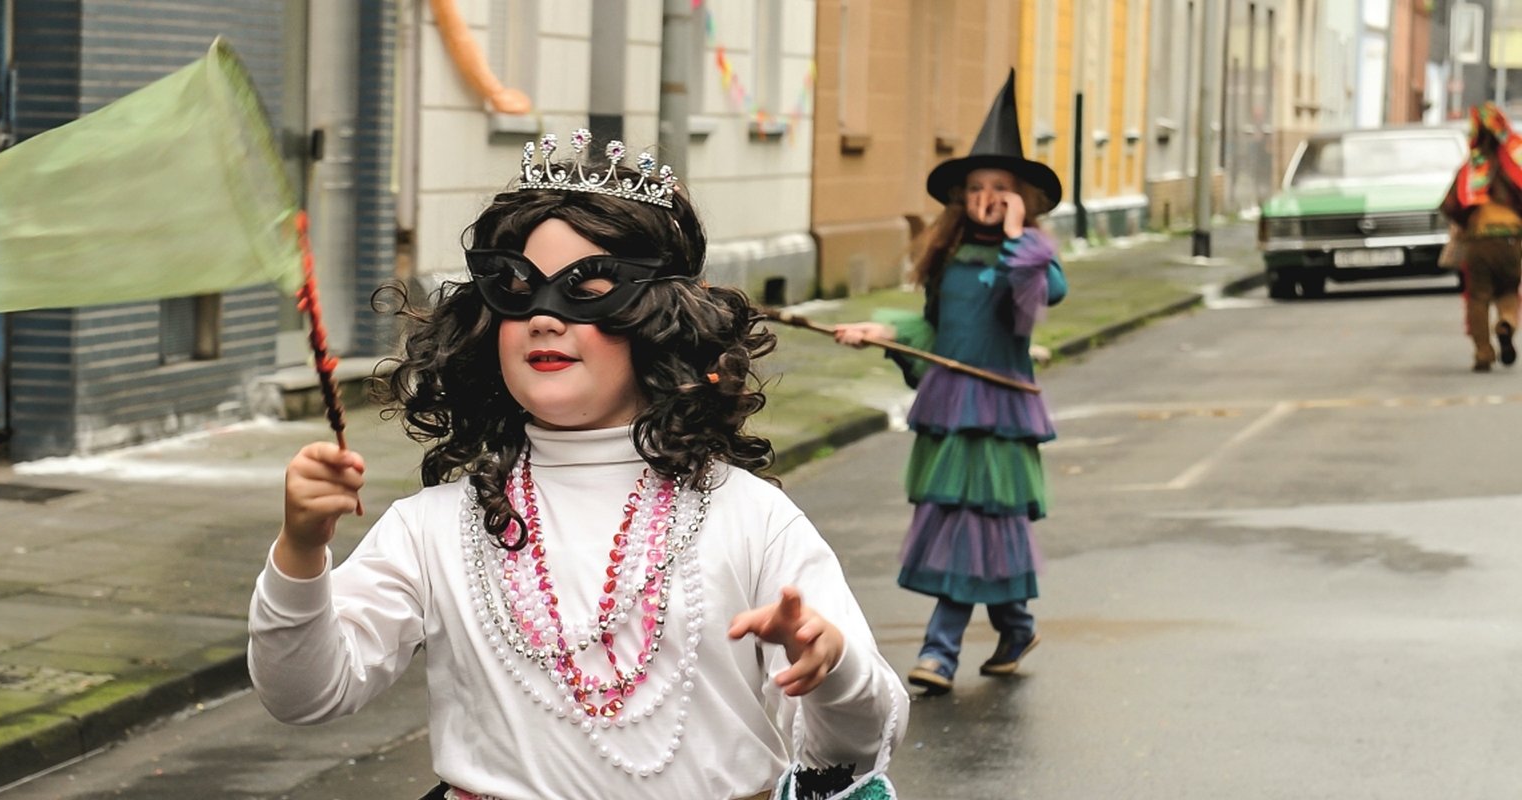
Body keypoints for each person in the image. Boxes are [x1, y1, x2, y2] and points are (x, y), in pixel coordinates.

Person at [248, 130, 907, 799]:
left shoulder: (750, 520)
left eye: (586, 289)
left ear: (661, 317)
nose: (543, 317)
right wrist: (302, 550)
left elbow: (853, 753)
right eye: (516, 289)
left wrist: (833, 670)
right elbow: (305, 693)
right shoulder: (434, 530)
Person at [833, 72, 1066, 696]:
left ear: (1023, 200)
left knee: (980, 527)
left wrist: (1019, 237)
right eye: (976, 188)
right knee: (969, 526)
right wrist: (877, 330)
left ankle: (940, 650)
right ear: (960, 198)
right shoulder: (950, 259)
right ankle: (1015, 626)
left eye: (1001, 189)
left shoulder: (1031, 259)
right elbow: (934, 332)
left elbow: (1042, 294)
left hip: (1000, 413)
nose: (986, 196)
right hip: (949, 407)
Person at [1440, 102, 1522, 372]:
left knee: (1478, 297)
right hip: (1512, 240)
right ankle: (1506, 323)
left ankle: (1483, 353)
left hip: (1479, 241)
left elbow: (1451, 205)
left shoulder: (1473, 167)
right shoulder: (1516, 163)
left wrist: (1467, 222)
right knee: (1509, 290)